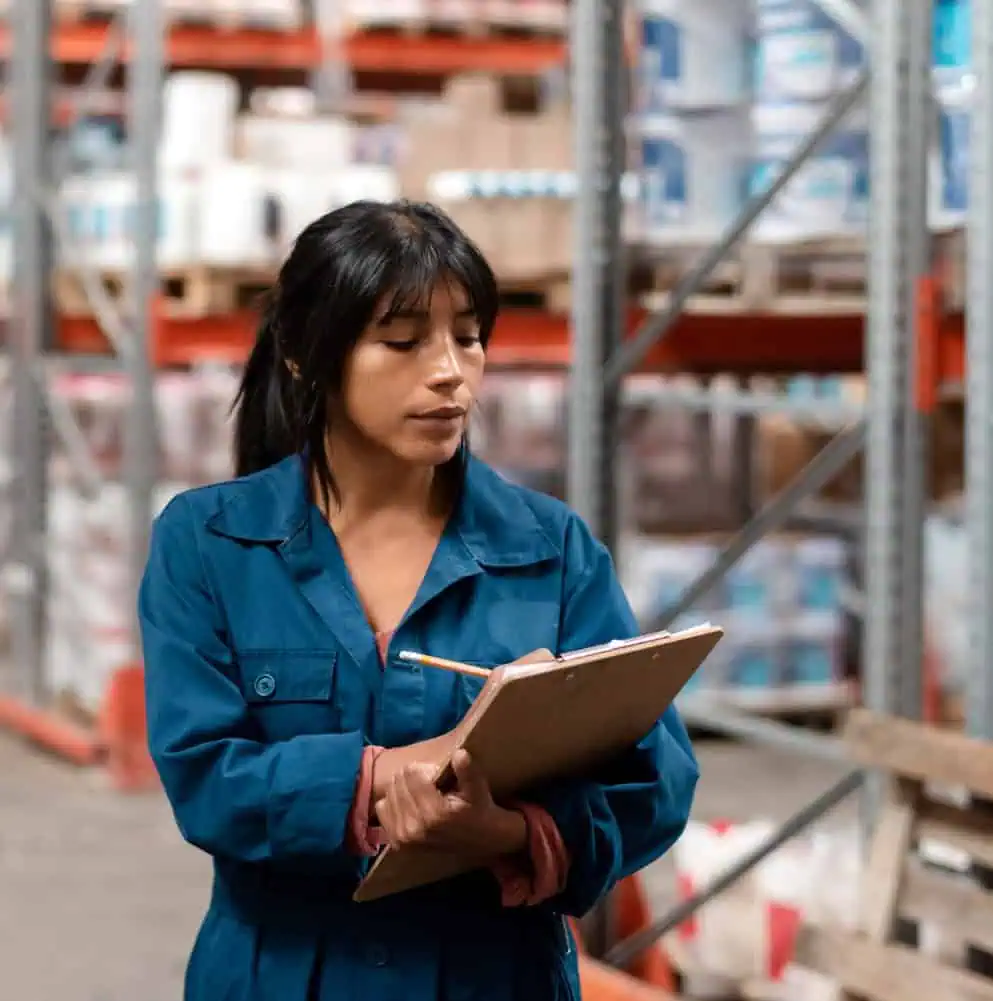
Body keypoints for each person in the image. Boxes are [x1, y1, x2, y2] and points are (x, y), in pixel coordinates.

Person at [138, 199, 699, 1001]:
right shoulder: (210, 544)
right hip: (281, 973)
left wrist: (505, 834)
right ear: (304, 353)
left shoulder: (550, 549)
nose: (448, 371)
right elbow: (204, 775)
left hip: (491, 974)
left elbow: (655, 780)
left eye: (467, 337)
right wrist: (381, 777)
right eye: (401, 341)